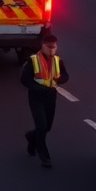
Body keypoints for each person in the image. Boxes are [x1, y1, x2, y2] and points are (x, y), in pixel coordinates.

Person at [21, 33, 69, 168]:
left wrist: (61, 79)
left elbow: (65, 75)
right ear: (43, 46)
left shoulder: (58, 61)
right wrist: (37, 88)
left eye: (54, 47)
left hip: (51, 97)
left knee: (47, 127)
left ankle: (31, 137)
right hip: (36, 97)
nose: (52, 49)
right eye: (49, 47)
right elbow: (25, 80)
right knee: (41, 125)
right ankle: (44, 157)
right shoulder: (33, 61)